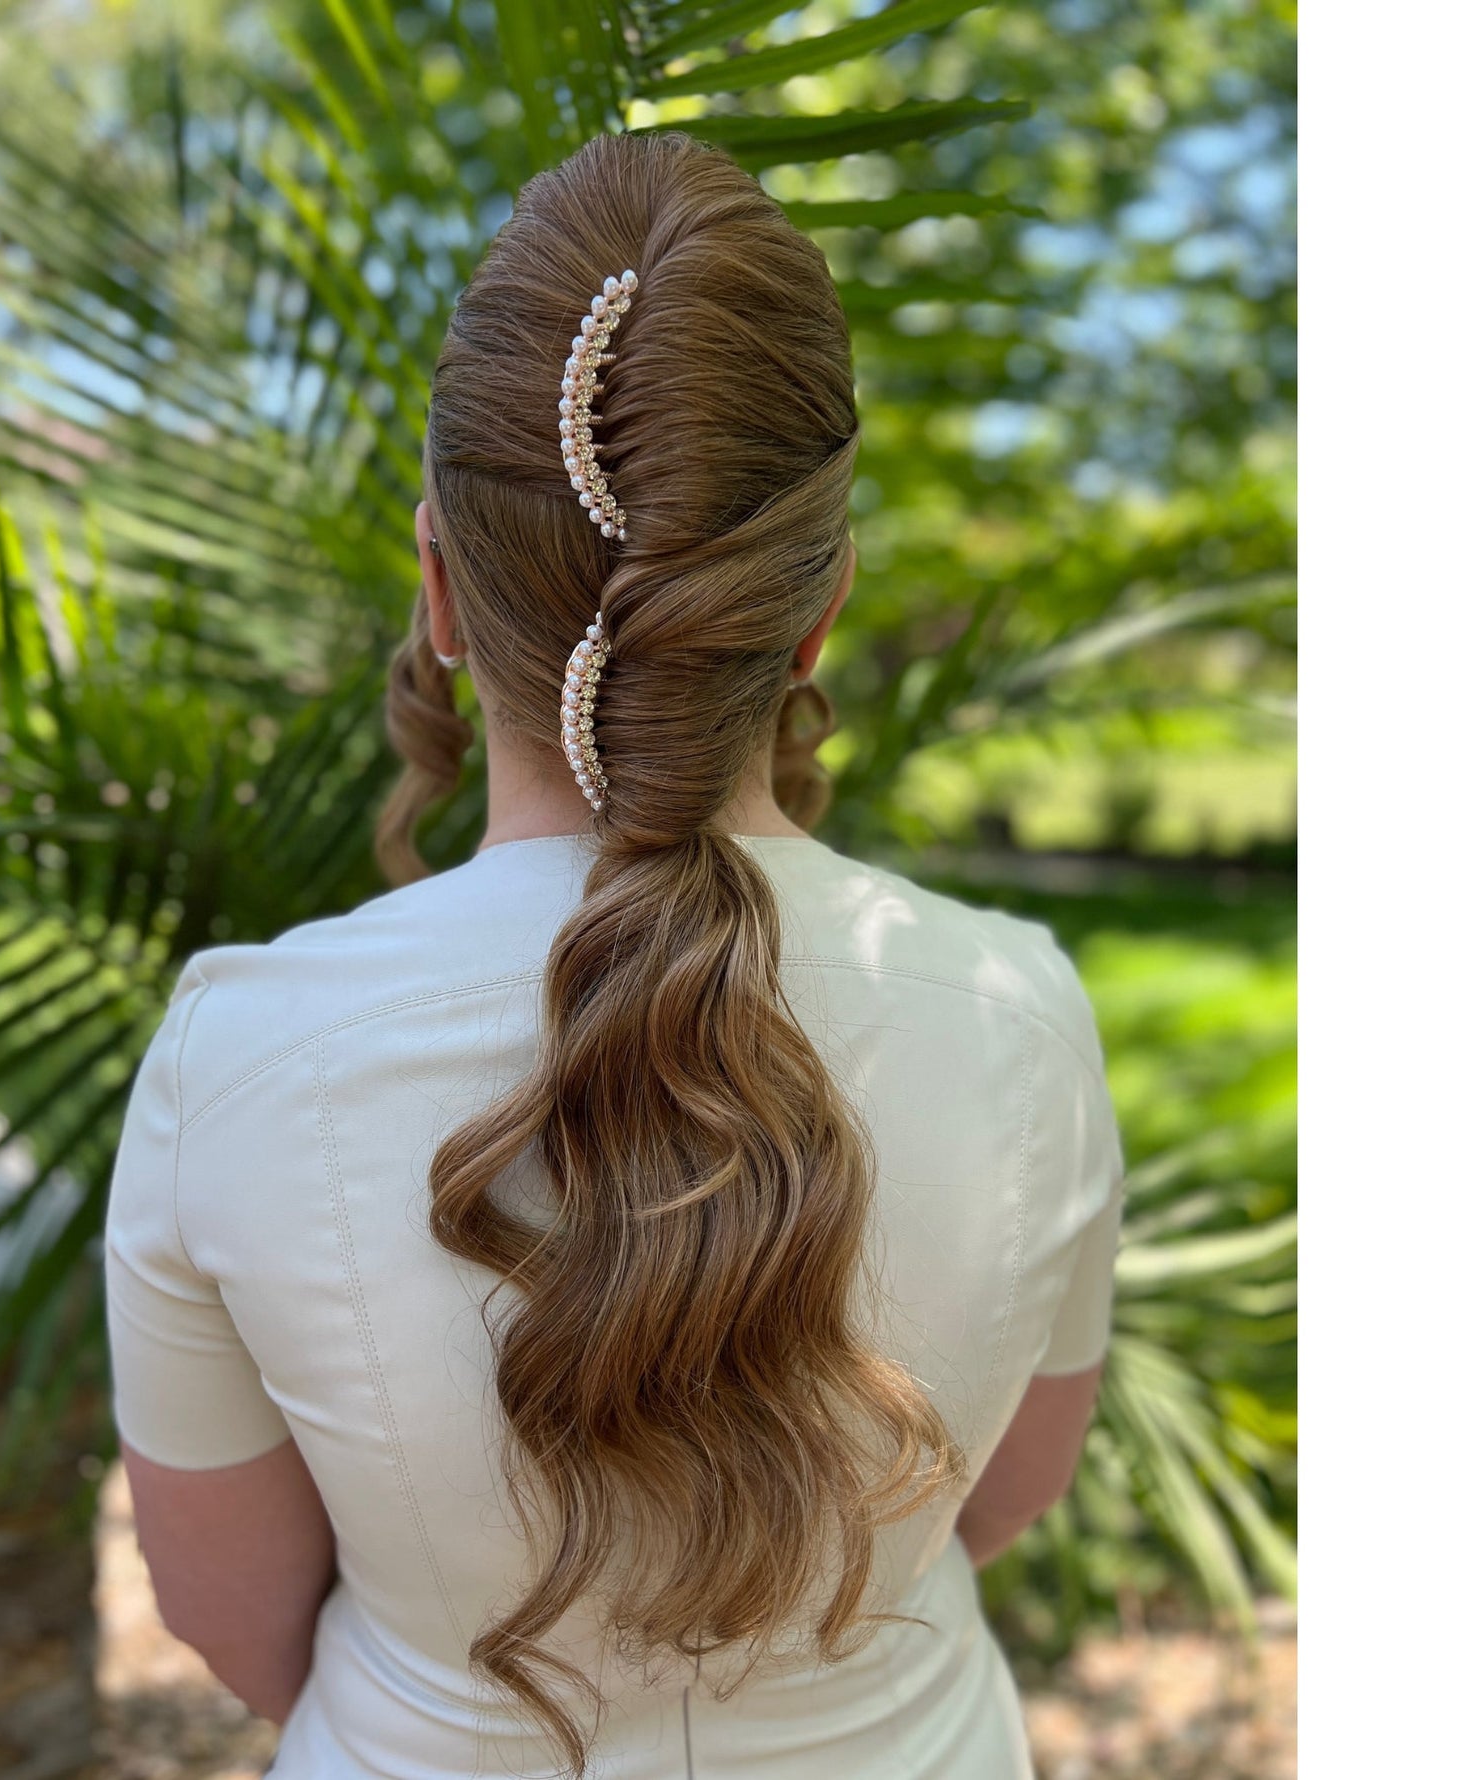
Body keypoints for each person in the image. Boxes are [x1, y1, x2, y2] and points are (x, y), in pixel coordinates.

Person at [105, 129, 1126, 1780]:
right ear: (818, 611)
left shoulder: (236, 1051)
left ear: (442, 588)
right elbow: (1003, 1502)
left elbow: (231, 1617)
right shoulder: (1022, 1009)